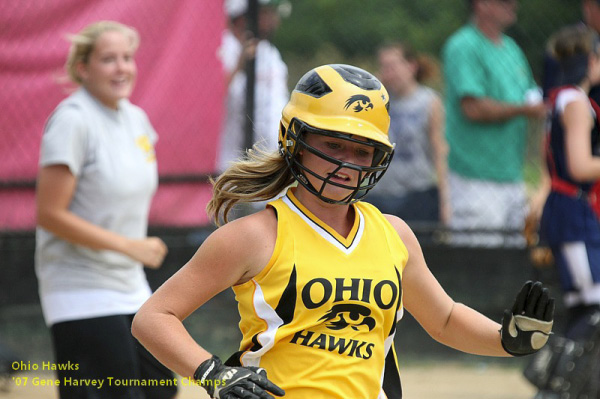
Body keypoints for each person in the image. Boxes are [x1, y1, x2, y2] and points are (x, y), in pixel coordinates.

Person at [132, 64, 554, 399]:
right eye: (332, 143)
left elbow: (443, 319)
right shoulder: (255, 235)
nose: (347, 162)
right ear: (294, 139)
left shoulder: (394, 233)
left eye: (361, 150)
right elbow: (153, 317)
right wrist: (213, 374)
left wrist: (507, 340)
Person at [35, 21, 176, 399]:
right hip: (80, 288)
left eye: (127, 58)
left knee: (161, 388)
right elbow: (49, 214)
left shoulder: (136, 119)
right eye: (108, 59)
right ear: (83, 68)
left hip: (129, 284)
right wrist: (130, 246)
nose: (121, 68)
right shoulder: (73, 120)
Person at [531, 25, 600, 398]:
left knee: (585, 306)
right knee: (592, 307)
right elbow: (578, 166)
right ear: (589, 60)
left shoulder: (561, 97)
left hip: (570, 210)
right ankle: (554, 388)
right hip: (572, 212)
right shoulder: (575, 101)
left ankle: (567, 386)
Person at [442, 0, 546, 247]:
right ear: (482, 4)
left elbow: (530, 94)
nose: (514, 5)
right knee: (480, 266)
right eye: (504, 1)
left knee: (513, 264)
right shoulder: (463, 45)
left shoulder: (511, 48)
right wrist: (524, 109)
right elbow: (473, 108)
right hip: (475, 176)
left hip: (511, 173)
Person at [366, 42, 449, 226]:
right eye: (384, 67)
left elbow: (439, 150)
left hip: (417, 193)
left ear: (411, 66)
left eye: (393, 66)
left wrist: (445, 200)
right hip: (379, 192)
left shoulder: (428, 102)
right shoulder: (377, 101)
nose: (388, 72)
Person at [217, 0, 289, 173]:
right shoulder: (223, 46)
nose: (273, 18)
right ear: (243, 18)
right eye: (265, 12)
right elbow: (212, 97)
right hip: (234, 160)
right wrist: (241, 62)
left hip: (273, 159)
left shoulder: (269, 51)